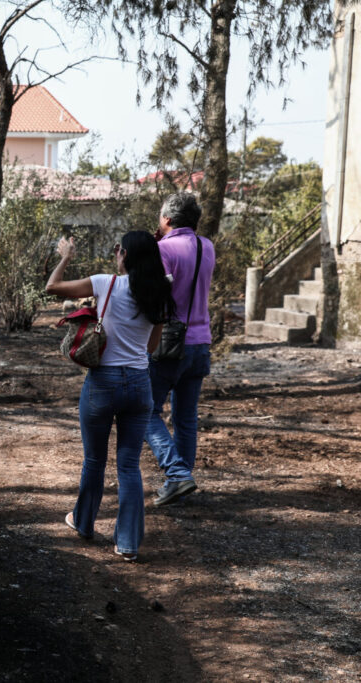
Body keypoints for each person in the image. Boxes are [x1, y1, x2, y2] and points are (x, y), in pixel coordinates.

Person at [47, 231, 175, 561]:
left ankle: (84, 522)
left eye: (119, 249)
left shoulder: (107, 283)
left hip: (103, 383)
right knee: (129, 466)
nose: (117, 253)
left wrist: (66, 256)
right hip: (138, 384)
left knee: (94, 459)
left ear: (125, 255)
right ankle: (128, 543)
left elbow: (53, 287)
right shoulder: (160, 293)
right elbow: (150, 348)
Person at [148, 193, 216, 506]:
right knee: (186, 417)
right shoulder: (207, 246)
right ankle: (181, 481)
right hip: (201, 342)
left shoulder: (162, 249)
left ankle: (176, 474)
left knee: (147, 410)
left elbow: (154, 295)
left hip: (170, 342)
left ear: (168, 220)